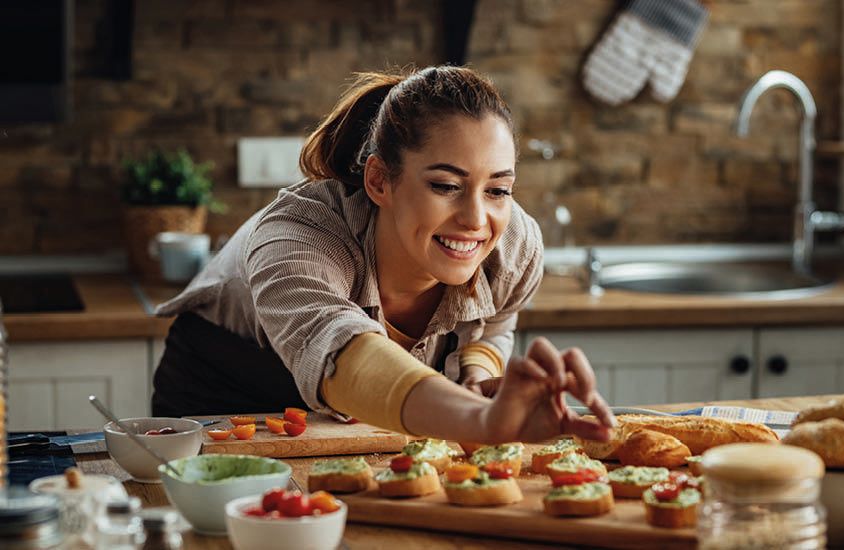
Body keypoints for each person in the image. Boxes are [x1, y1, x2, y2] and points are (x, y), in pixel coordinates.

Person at [152, 65, 615, 444]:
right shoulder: (298, 235)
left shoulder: (514, 242)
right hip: (222, 407)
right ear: (379, 180)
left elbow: (496, 320)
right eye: (446, 186)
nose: (477, 219)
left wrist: (476, 379)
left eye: (498, 189)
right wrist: (480, 422)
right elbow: (342, 352)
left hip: (381, 417)